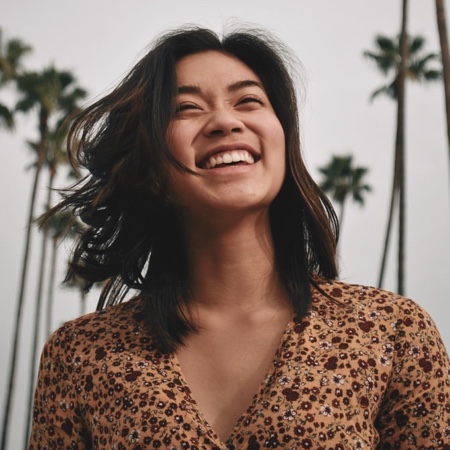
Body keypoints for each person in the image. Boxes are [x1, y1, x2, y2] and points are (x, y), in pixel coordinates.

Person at [28, 26, 450, 450]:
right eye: (186, 108)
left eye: (248, 100)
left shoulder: (390, 331)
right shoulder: (81, 356)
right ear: (150, 159)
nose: (226, 121)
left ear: (283, 137)